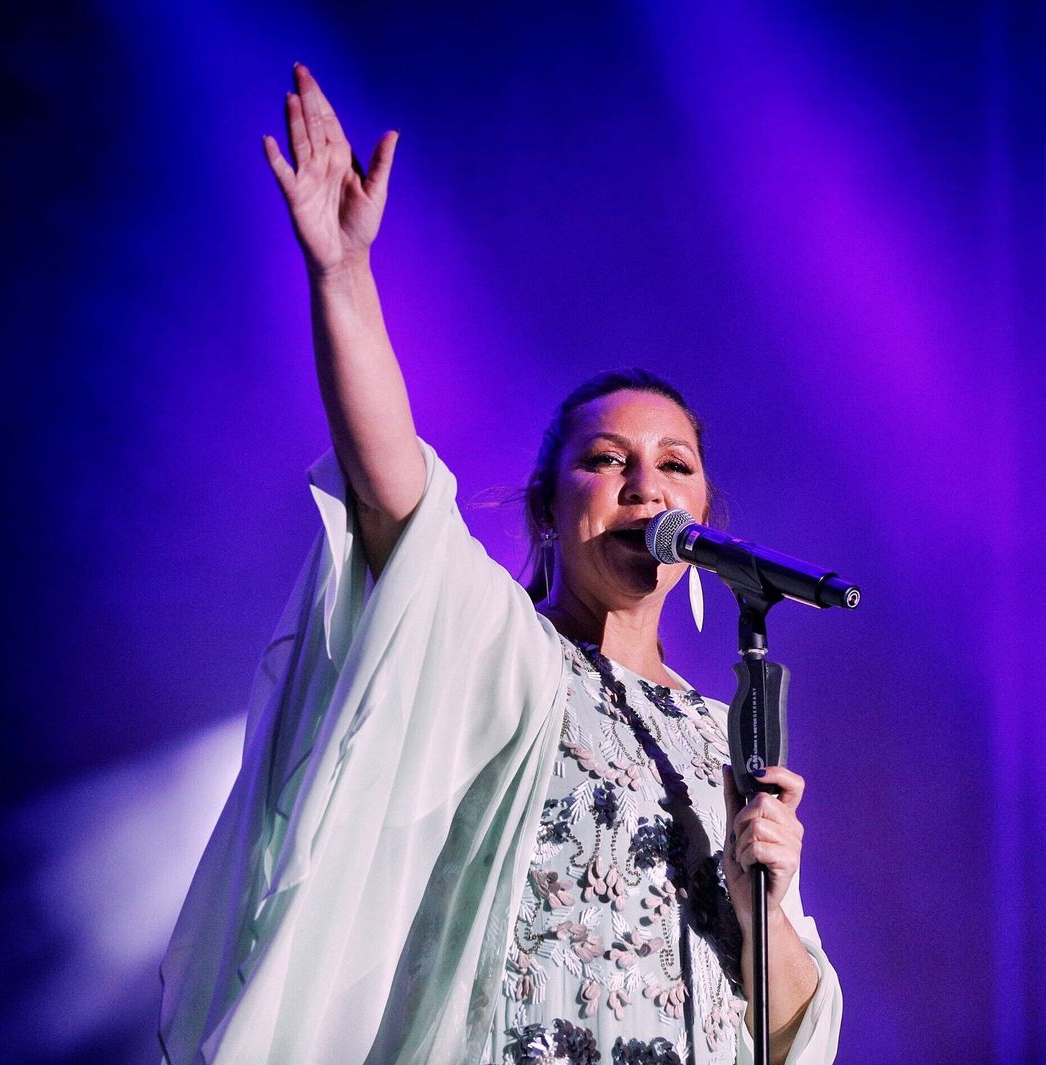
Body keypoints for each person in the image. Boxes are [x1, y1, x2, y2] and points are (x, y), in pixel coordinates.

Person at [158, 64, 842, 1065]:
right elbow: (398, 492)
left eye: (674, 466)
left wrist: (757, 896)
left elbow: (790, 1028)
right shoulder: (502, 647)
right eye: (607, 462)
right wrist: (343, 278)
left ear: (703, 511)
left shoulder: (720, 738)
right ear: (548, 510)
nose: (645, 489)